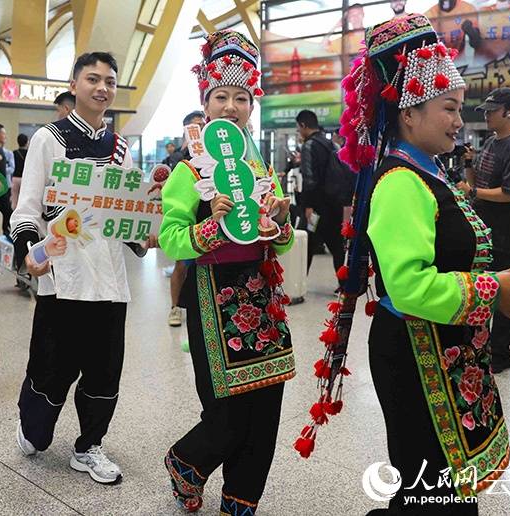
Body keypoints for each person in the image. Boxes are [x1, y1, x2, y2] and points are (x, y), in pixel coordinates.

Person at [335, 15, 510, 514]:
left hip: (441, 351)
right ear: (409, 113)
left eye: (460, 108)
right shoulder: (402, 182)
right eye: (449, 108)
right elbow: (408, 286)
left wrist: (500, 279)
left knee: (439, 489)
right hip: (414, 356)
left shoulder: (432, 173)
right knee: (430, 490)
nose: (457, 120)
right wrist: (493, 291)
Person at [159, 30, 295, 515]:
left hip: (263, 296)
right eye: (222, 96)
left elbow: (283, 238)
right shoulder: (187, 172)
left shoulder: (260, 168)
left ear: (252, 107)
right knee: (229, 410)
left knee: (267, 405)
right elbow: (170, 239)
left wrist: (279, 222)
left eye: (242, 97)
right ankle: (186, 461)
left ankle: (241, 501)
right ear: (206, 102)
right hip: (212, 295)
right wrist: (211, 227)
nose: (232, 106)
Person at [11, 51, 156, 484]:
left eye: (110, 81)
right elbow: (27, 208)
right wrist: (28, 250)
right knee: (52, 368)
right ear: (73, 87)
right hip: (63, 278)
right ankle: (35, 428)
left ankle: (90, 445)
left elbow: (125, 210)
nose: (102, 88)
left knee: (104, 369)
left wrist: (142, 235)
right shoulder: (48, 139)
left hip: (110, 282)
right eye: (92, 79)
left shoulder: (121, 146)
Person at [466, 87, 510, 372]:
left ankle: (499, 354)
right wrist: (470, 165)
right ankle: (482, 347)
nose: (486, 115)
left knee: (504, 292)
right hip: (485, 227)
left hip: (506, 231)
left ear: (509, 112)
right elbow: (479, 186)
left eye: (491, 110)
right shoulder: (493, 141)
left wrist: (473, 190)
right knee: (485, 286)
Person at [296, 109, 349, 282]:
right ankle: (344, 286)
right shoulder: (331, 144)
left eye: (298, 128)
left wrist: (308, 205)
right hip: (334, 203)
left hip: (316, 207)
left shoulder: (309, 145)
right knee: (336, 245)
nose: (299, 132)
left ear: (303, 125)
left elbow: (309, 178)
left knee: (307, 245)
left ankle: (298, 285)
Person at [166, 110, 206, 327]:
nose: (199, 129)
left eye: (203, 125)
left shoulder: (214, 152)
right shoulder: (178, 159)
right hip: (187, 222)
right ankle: (174, 308)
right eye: (195, 126)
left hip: (208, 217)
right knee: (182, 264)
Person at [11, 133, 28, 208]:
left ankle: (14, 213)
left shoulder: (14, 153)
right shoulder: (29, 153)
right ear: (27, 142)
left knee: (14, 198)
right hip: (25, 178)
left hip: (15, 178)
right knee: (24, 198)